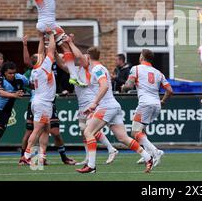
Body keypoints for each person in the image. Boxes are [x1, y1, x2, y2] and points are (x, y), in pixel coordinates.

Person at [76, 46, 154, 174]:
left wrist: (94, 103)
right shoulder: (101, 68)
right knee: (123, 138)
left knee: (88, 132)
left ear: (89, 57)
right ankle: (148, 157)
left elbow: (105, 86)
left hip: (106, 106)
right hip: (113, 106)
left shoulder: (97, 69)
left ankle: (91, 165)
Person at [19, 35, 76, 165]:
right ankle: (27, 155)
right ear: (40, 60)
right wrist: (51, 35)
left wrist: (40, 37)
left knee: (45, 130)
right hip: (43, 103)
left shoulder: (35, 70)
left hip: (39, 102)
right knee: (37, 130)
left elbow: (41, 52)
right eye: (41, 57)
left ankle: (42, 156)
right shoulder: (44, 67)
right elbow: (50, 50)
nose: (43, 56)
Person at [31, 0, 85, 87]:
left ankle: (71, 76)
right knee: (63, 46)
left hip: (48, 23)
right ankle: (72, 75)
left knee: (54, 50)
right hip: (47, 23)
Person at [65, 36, 119, 165]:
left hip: (91, 101)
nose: (83, 58)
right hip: (83, 103)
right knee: (84, 129)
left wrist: (70, 43)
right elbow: (64, 64)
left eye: (86, 56)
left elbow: (78, 56)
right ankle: (89, 158)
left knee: (89, 129)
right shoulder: (77, 69)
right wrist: (56, 53)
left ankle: (110, 149)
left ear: (88, 57)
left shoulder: (90, 66)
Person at [122, 49, 174, 167]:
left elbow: (129, 85)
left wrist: (123, 87)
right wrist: (163, 101)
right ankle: (147, 154)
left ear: (141, 57)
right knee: (142, 129)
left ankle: (156, 152)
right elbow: (170, 90)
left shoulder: (136, 69)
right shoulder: (158, 72)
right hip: (156, 105)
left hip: (145, 104)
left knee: (135, 132)